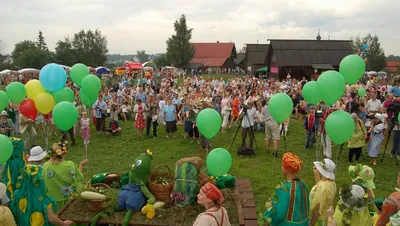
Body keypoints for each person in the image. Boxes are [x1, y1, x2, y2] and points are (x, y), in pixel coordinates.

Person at [264, 152, 309, 226]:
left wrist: (269, 209)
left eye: (283, 166)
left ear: (287, 170)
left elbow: (279, 212)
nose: (281, 168)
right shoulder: (302, 185)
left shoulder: (285, 189)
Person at [43, 141, 87, 210]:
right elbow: (79, 179)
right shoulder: (69, 165)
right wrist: (81, 165)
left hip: (51, 203)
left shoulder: (45, 166)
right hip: (68, 202)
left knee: (56, 219)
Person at [309, 159, 337, 226]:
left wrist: (311, 223)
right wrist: (316, 175)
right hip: (326, 217)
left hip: (318, 220)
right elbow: (320, 188)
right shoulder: (332, 183)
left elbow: (317, 208)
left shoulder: (323, 187)